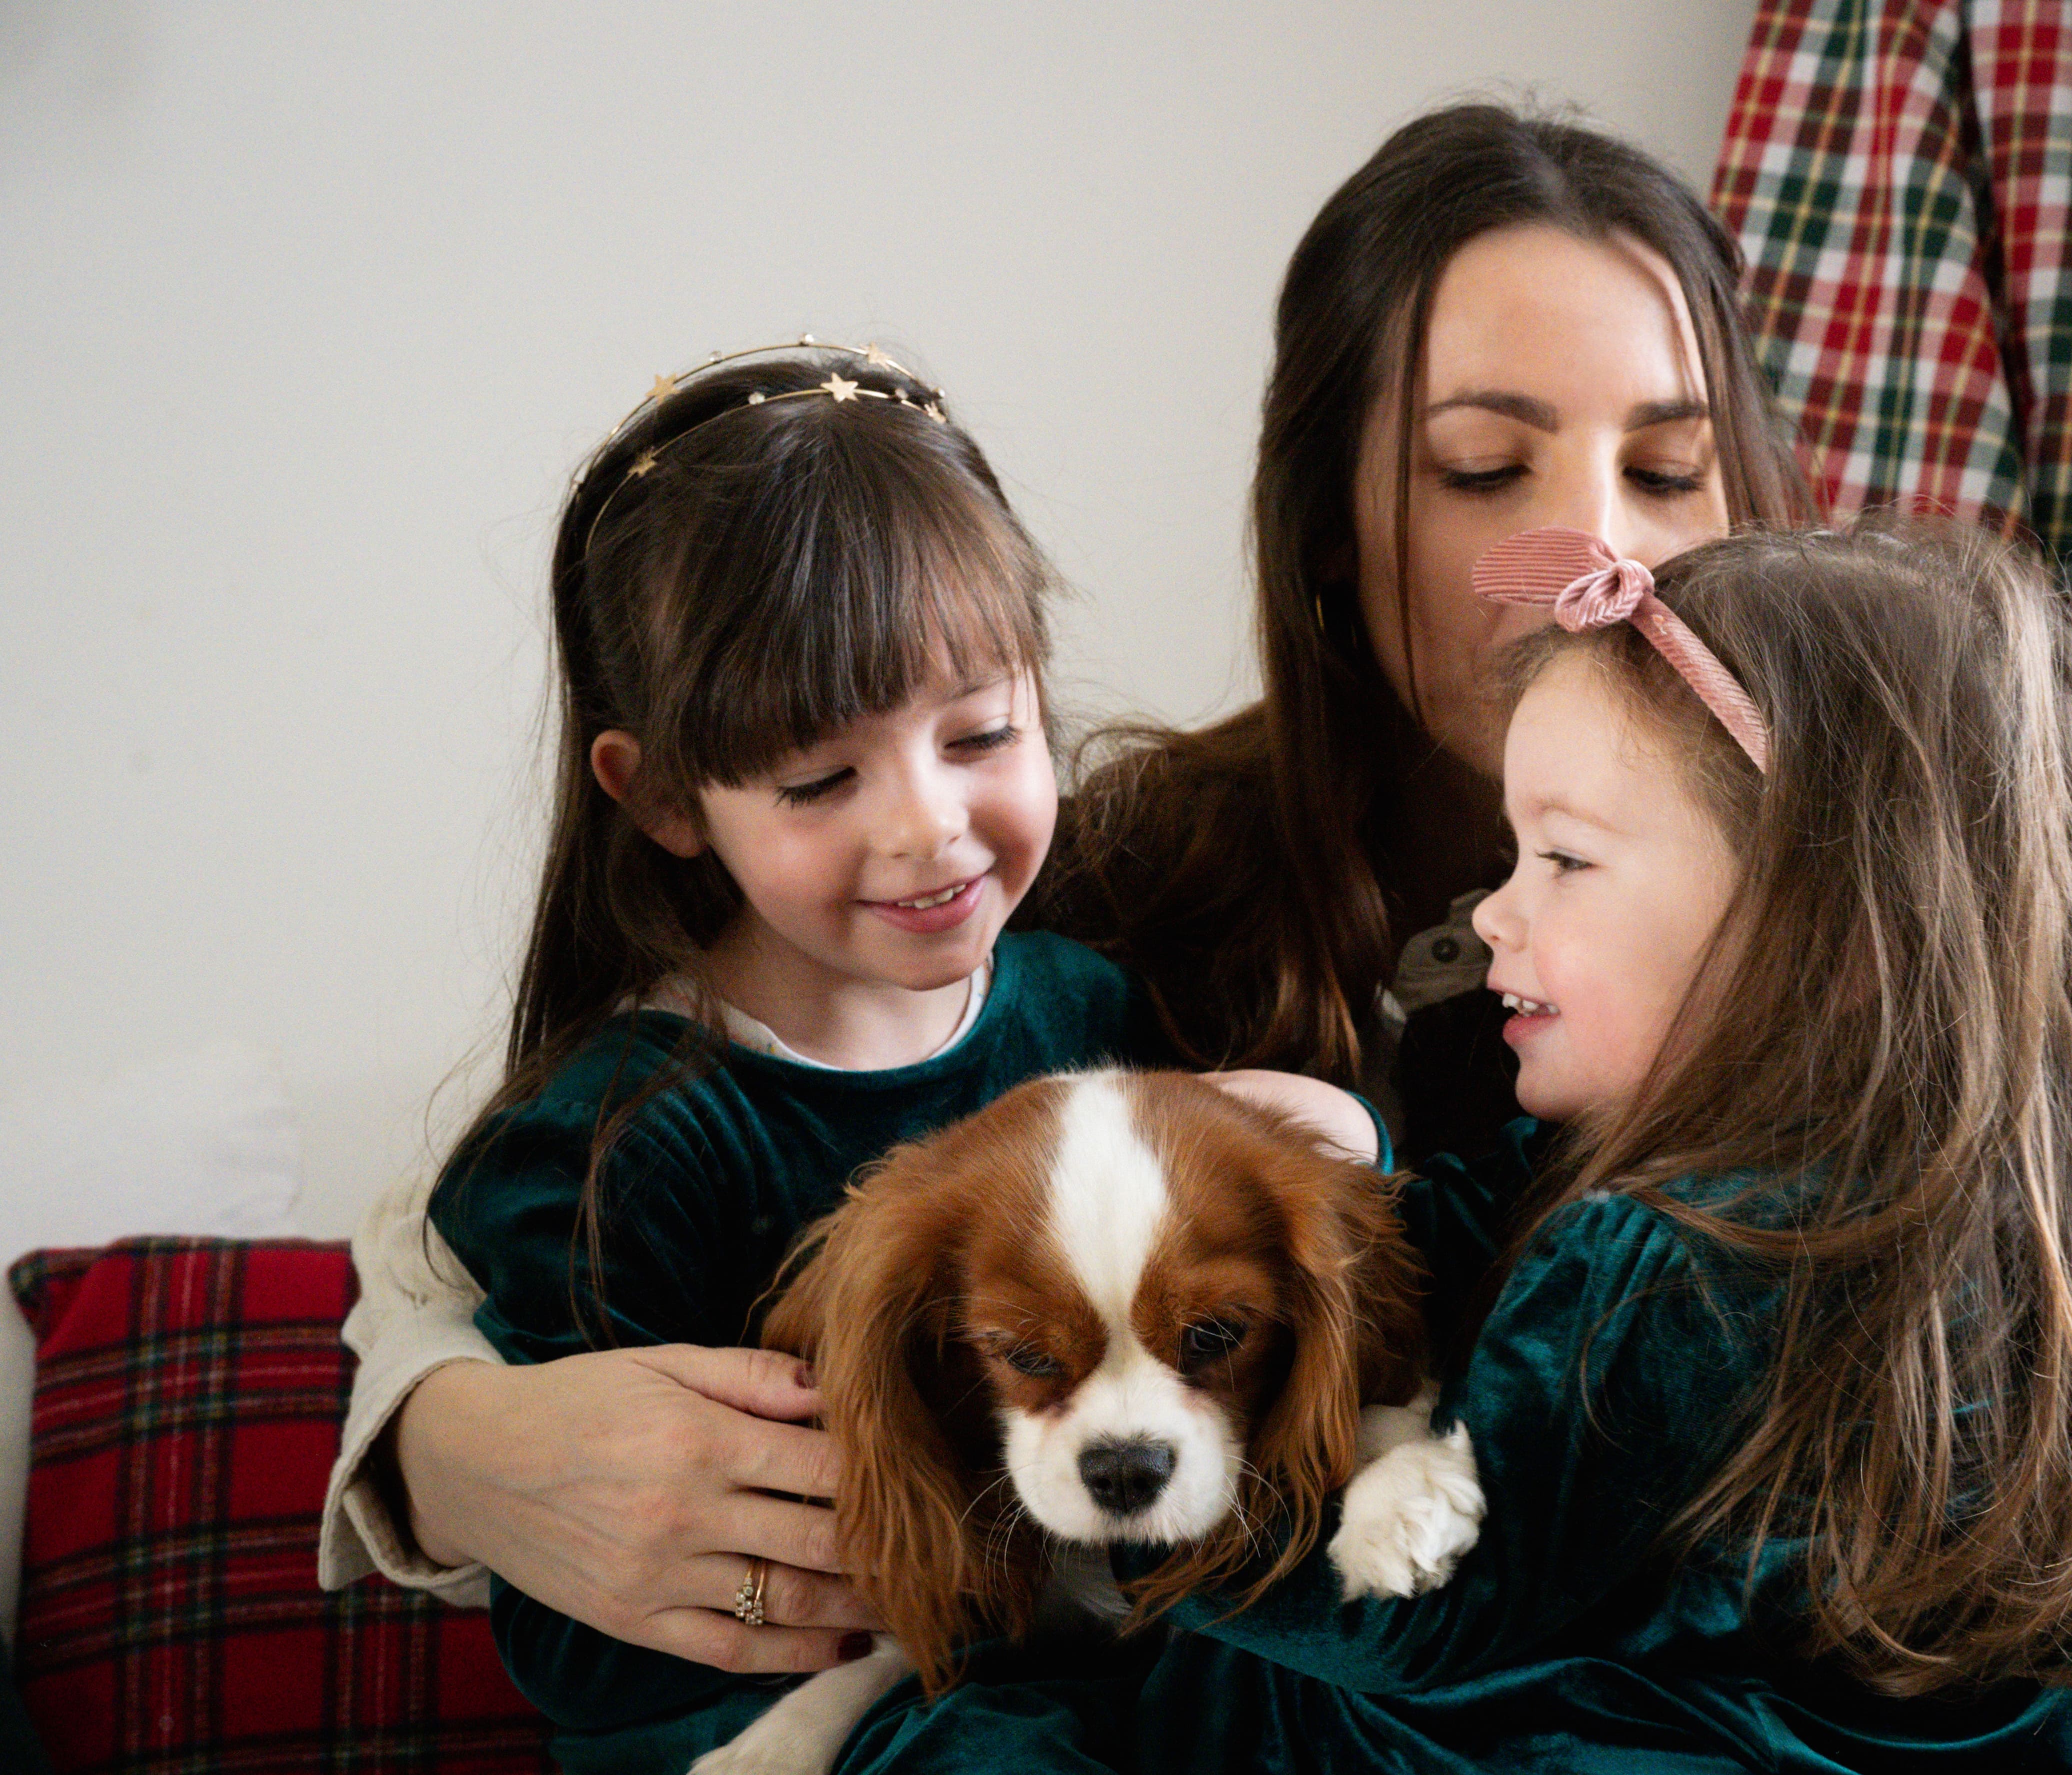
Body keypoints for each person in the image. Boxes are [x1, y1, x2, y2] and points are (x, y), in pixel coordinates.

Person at [321, 104, 2072, 1717]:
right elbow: (468, 1238)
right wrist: (445, 1448)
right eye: (1488, 465)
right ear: (1328, 513)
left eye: (1670, 466)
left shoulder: (1884, 923)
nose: (1591, 542)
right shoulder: (1102, 895)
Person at [831, 519, 2072, 1772]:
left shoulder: (1687, 1251)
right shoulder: (2017, 1180)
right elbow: (1481, 1221)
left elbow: (1437, 1616)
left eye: (1565, 860)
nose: (1493, 915)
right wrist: (1316, 1200)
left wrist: (1137, 1545)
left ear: (1825, 927)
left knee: (1147, 1714)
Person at [378, 341, 1352, 1769]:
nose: (929, 829)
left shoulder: (1087, 1005)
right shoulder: (615, 1143)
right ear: (660, 797)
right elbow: (586, 1634)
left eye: (982, 734)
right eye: (824, 779)